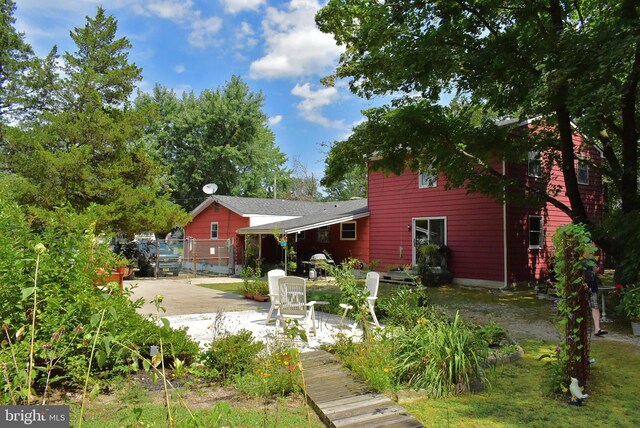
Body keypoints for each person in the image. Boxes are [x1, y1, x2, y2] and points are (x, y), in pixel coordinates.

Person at [584, 259, 608, 337]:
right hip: (582, 287)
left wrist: (595, 269)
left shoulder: (592, 259)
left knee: (595, 307)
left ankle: (597, 329)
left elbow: (596, 270)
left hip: (592, 287)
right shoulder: (579, 259)